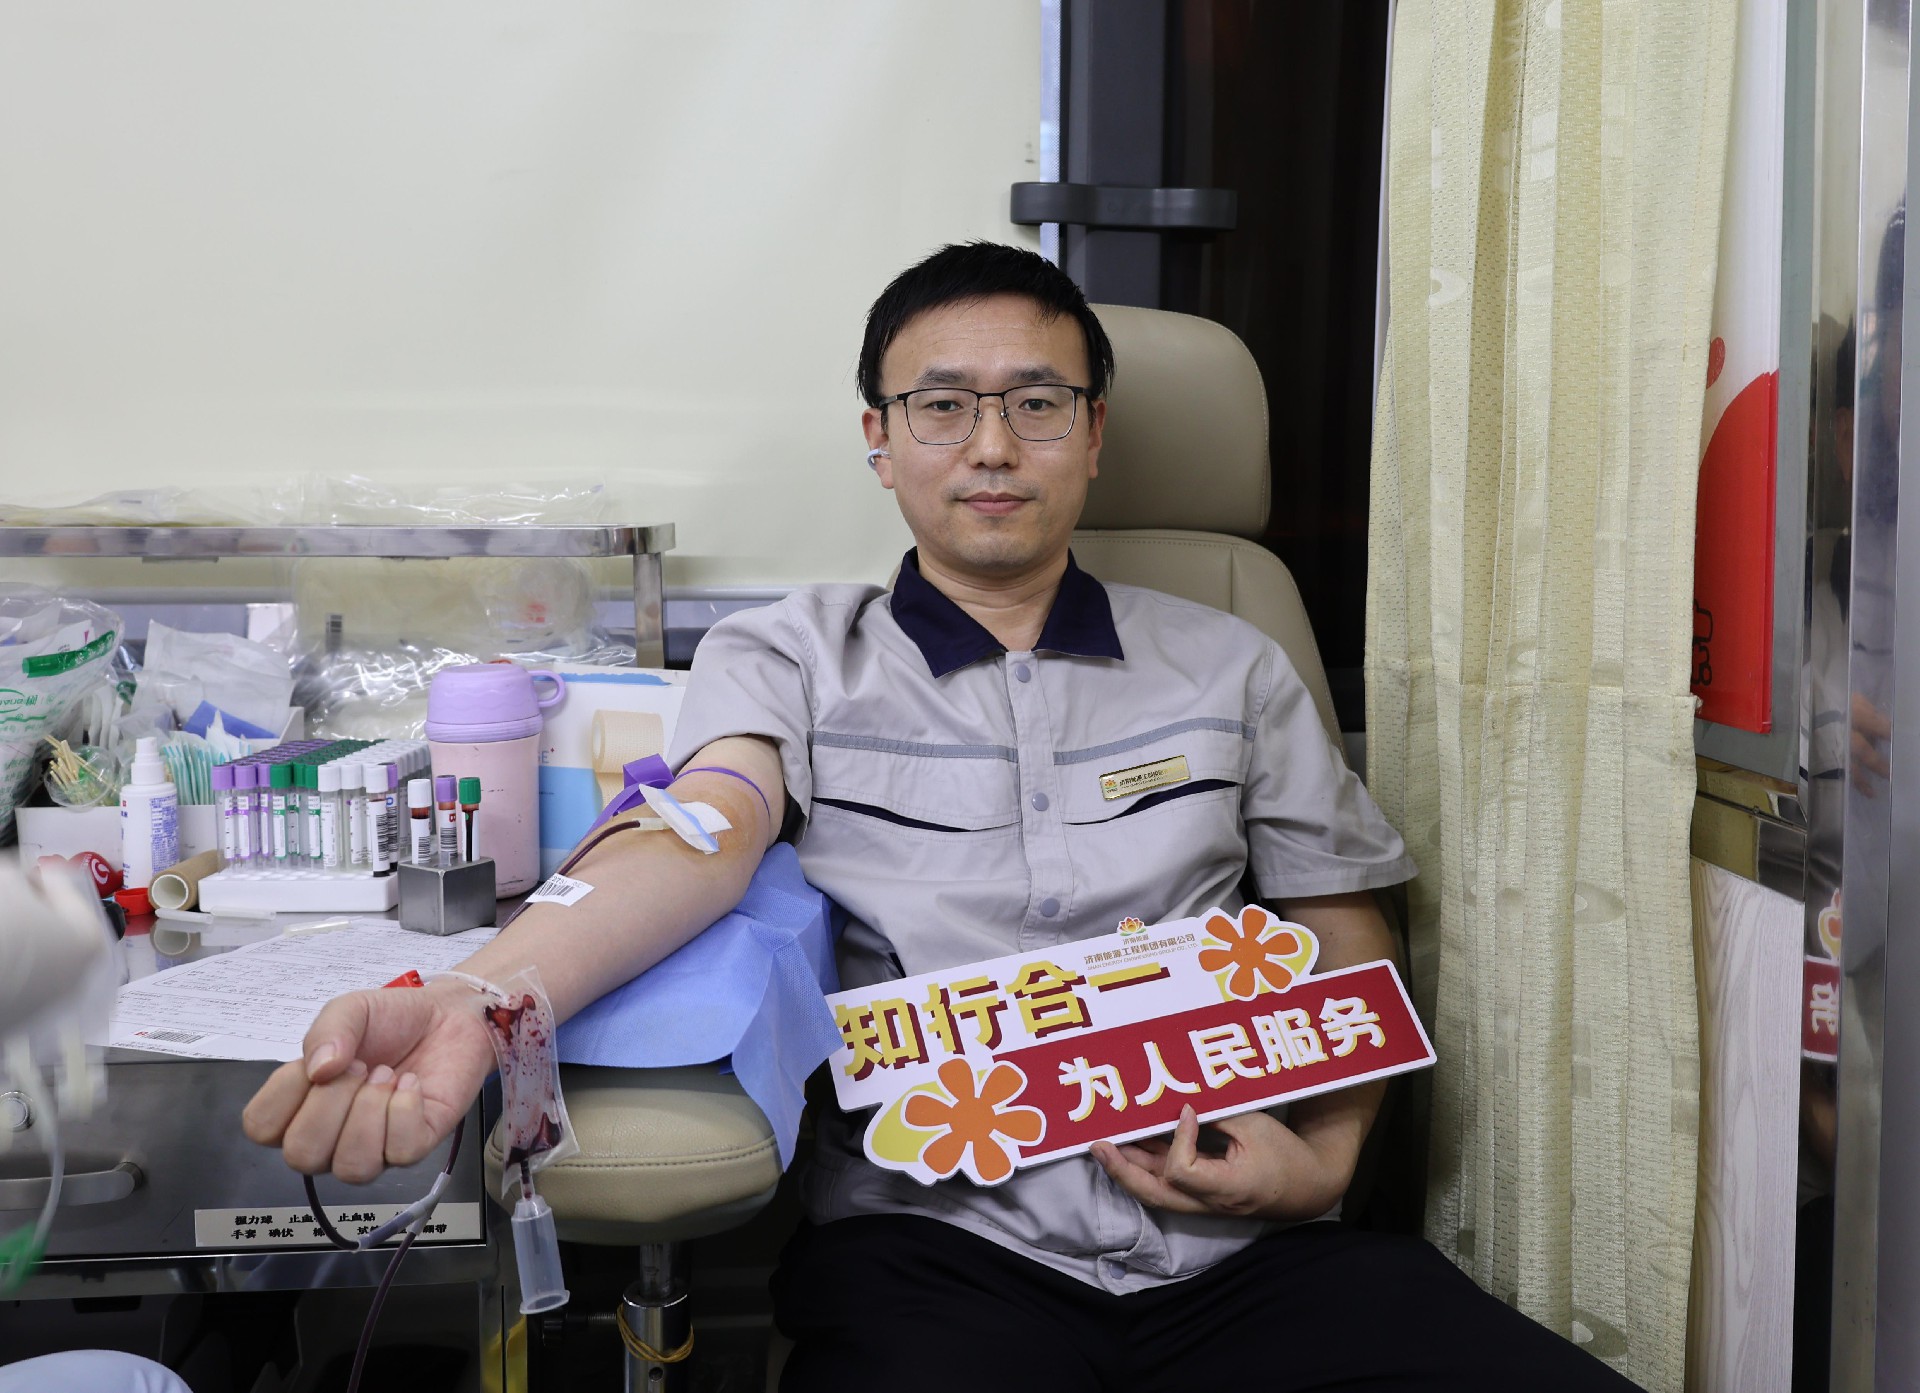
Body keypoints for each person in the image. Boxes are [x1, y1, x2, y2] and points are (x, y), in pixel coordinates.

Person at [244, 242, 1641, 1391]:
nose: (992, 446)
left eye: (1039, 404)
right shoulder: (794, 652)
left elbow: (1342, 926)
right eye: (942, 406)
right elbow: (701, 835)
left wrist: (1317, 1166)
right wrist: (478, 997)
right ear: (878, 437)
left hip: (1245, 1251)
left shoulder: (1232, 661)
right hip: (941, 1251)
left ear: (1095, 433)